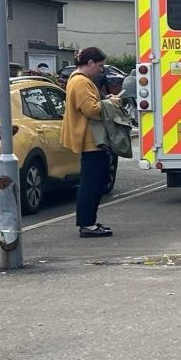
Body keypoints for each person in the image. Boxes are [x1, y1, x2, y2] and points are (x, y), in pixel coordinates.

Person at [60, 46, 118, 237]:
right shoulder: (81, 82)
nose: (101, 70)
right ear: (90, 62)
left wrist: (104, 98)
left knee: (96, 181)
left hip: (91, 139)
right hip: (90, 139)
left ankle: (89, 222)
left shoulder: (78, 80)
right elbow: (91, 110)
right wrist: (111, 103)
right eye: (99, 65)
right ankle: (87, 224)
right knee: (92, 183)